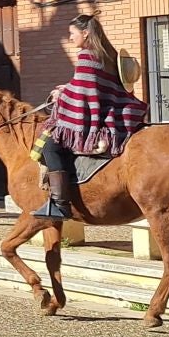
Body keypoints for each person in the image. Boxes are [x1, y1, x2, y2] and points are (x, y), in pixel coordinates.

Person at [33, 13, 147, 222]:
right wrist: (68, 88)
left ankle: (60, 204)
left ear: (85, 33)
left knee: (50, 146)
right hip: (116, 114)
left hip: (100, 121)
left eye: (72, 33)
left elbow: (84, 94)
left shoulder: (87, 56)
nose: (70, 38)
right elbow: (88, 87)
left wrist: (61, 95)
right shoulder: (107, 55)